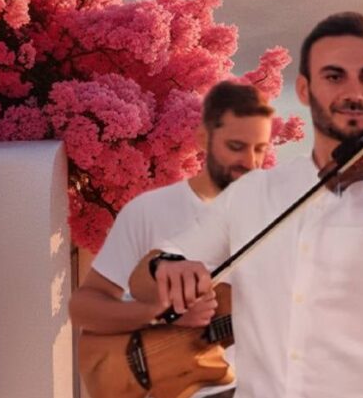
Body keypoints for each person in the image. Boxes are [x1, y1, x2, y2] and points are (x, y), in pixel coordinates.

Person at [129, 12, 363, 397]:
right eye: (334, 77)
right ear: (304, 90)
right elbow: (142, 277)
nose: (354, 93)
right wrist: (166, 267)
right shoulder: (253, 192)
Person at [69, 80, 275, 398]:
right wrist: (160, 313)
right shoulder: (149, 211)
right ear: (204, 139)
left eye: (259, 149)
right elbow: (84, 308)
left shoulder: (276, 221)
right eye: (236, 146)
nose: (250, 163)